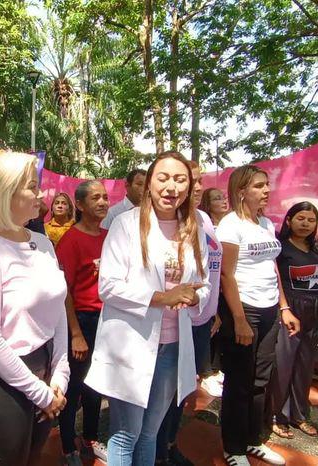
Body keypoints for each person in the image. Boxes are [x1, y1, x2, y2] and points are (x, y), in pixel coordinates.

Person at [86, 151, 210, 466]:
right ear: (150, 183)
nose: (171, 187)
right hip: (132, 344)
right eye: (163, 178)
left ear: (189, 186)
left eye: (180, 180)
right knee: (126, 434)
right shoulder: (126, 224)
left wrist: (195, 298)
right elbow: (108, 286)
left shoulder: (193, 228)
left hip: (173, 346)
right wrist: (162, 297)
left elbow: (205, 283)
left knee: (150, 434)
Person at [0, 151, 69, 466]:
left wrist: (60, 373)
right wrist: (41, 393)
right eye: (32, 187)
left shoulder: (43, 243)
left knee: (34, 456)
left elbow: (58, 308)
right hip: (4, 378)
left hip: (47, 366)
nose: (41, 194)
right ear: (5, 193)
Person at [215, 164, 300, 466]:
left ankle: (253, 440)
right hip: (244, 309)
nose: (266, 190)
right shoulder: (229, 225)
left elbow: (272, 267)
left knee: (261, 380)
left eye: (267, 185)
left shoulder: (266, 223)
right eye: (258, 186)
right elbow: (226, 275)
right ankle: (233, 447)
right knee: (239, 381)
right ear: (241, 191)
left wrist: (284, 307)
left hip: (270, 310)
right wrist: (238, 319)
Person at [155, 160, 222, 466]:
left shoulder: (203, 219)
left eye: (197, 181)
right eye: (188, 180)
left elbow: (210, 273)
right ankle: (157, 451)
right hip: (171, 321)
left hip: (200, 318)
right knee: (162, 393)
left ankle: (170, 444)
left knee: (182, 390)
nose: (193, 187)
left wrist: (212, 308)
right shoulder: (162, 222)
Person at [56, 180, 110, 466]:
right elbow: (64, 290)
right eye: (95, 198)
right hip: (81, 320)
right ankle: (68, 445)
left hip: (107, 321)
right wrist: (76, 333)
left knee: (96, 384)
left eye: (105, 197)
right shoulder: (70, 241)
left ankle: (90, 437)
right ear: (79, 204)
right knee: (73, 386)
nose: (102, 202)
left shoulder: (110, 237)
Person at [268, 202, 318, 440]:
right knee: (283, 365)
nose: (305, 224)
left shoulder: (317, 246)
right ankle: (276, 416)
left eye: (311, 220)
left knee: (305, 365)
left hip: (314, 309)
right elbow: (274, 279)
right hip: (290, 309)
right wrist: (284, 308)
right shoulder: (280, 247)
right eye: (300, 218)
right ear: (289, 220)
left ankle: (299, 415)